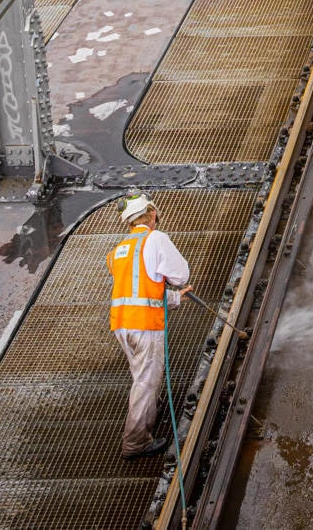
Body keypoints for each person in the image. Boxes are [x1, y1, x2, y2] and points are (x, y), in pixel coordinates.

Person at [109, 194, 192, 458]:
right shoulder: (155, 239)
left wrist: (175, 298)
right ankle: (136, 442)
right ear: (151, 213)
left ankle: (144, 419)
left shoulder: (119, 249)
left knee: (142, 378)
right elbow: (180, 275)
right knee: (146, 382)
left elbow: (140, 289)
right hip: (144, 326)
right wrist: (176, 287)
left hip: (122, 325)